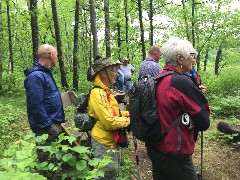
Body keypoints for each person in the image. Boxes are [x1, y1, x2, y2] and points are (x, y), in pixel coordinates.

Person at [146, 37, 210, 180]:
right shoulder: (180, 82)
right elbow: (204, 121)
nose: (193, 59)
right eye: (191, 55)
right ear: (180, 59)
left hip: (156, 147)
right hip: (174, 152)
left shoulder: (159, 78)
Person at [88, 57, 130, 179]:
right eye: (113, 70)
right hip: (103, 142)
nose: (116, 73)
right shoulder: (97, 94)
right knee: (106, 174)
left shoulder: (106, 91)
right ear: (102, 73)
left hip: (111, 140)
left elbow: (113, 114)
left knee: (113, 172)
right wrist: (129, 121)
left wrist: (126, 115)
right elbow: (109, 122)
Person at [24, 44, 64, 162]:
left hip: (53, 124)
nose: (57, 57)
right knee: (47, 162)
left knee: (54, 162)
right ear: (51, 55)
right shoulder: (35, 76)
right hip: (46, 128)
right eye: (56, 55)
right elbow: (35, 104)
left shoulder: (45, 74)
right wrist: (47, 125)